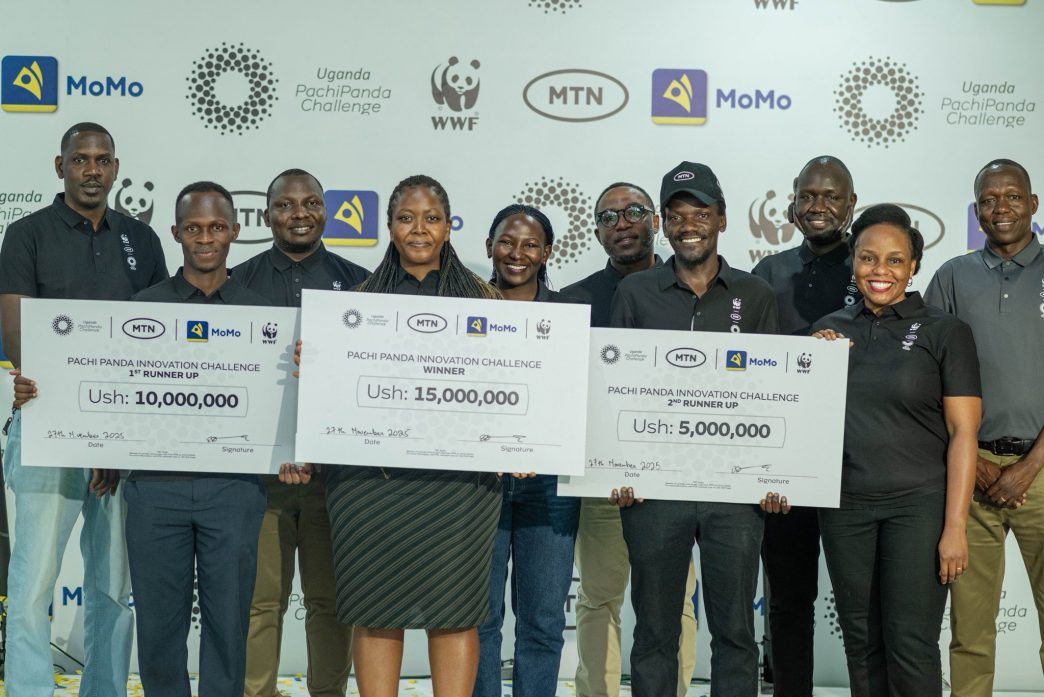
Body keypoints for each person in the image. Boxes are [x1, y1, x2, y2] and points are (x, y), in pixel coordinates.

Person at [0, 122, 167, 697]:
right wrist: (71, 418)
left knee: (113, 585)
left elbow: (158, 340)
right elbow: (19, 334)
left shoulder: (142, 242)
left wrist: (110, 437)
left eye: (101, 160)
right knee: (32, 582)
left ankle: (106, 690)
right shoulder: (26, 234)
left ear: (116, 169)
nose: (91, 170)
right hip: (48, 428)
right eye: (80, 160)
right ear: (60, 166)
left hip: (122, 438)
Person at [319, 174, 502, 697]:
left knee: (456, 610)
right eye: (406, 218)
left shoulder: (488, 303)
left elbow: (506, 386)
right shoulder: (352, 306)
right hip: (369, 486)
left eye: (430, 218)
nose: (418, 229)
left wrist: (523, 442)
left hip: (459, 487)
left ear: (448, 227)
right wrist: (320, 363)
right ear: (390, 226)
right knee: (375, 608)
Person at [610, 161, 779, 697]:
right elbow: (616, 389)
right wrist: (617, 466)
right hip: (654, 491)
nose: (690, 225)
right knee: (655, 632)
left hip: (735, 492)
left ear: (722, 220)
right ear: (662, 223)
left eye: (701, 214)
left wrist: (778, 475)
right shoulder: (636, 293)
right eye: (678, 215)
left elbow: (774, 397)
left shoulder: (755, 296)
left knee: (735, 632)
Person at [811, 204, 981, 697]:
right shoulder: (828, 331)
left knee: (911, 644)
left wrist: (954, 528)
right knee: (861, 644)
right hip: (845, 508)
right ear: (852, 262)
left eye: (894, 260)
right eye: (867, 259)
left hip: (919, 507)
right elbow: (802, 424)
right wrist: (812, 365)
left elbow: (963, 434)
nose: (879, 271)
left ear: (913, 266)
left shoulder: (945, 332)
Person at [123, 182, 269, 697]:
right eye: (193, 228)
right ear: (176, 234)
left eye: (215, 227)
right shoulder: (141, 308)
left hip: (233, 489)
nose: (204, 238)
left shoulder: (266, 316)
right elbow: (114, 393)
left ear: (233, 231)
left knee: (229, 624)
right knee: (159, 629)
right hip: (153, 489)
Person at [234, 168, 368, 697]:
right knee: (261, 601)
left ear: (326, 211)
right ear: (266, 215)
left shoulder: (359, 282)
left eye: (311, 203)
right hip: (260, 475)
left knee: (330, 603)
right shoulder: (236, 282)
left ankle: (328, 693)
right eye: (286, 206)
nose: (299, 214)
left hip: (333, 478)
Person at [563, 182, 697, 697]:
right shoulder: (574, 301)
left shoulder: (695, 291)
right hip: (599, 473)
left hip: (672, 477)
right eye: (608, 217)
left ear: (656, 222)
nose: (621, 223)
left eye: (634, 212)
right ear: (596, 232)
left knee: (675, 602)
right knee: (598, 598)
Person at [924, 159, 1044, 697]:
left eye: (1013, 197)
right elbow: (925, 375)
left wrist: (1028, 467)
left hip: (1042, 476)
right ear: (976, 212)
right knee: (970, 633)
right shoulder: (952, 276)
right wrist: (980, 468)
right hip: (969, 478)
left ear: (1034, 205)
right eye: (990, 200)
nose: (1002, 208)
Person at [751, 155, 860, 697]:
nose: (819, 206)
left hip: (857, 463)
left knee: (863, 601)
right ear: (792, 203)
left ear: (851, 205)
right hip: (786, 464)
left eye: (831, 196)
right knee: (789, 599)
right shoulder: (767, 274)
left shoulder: (870, 271)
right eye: (809, 196)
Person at [473, 204, 581, 697]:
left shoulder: (571, 318)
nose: (517, 254)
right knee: (480, 618)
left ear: (548, 253)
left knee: (542, 621)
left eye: (530, 244)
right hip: (477, 487)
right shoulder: (462, 310)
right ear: (489, 246)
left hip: (550, 485)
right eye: (506, 242)